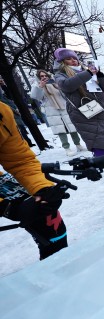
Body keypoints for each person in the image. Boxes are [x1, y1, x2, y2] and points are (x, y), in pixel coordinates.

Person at [0, 101, 69, 260]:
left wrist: (42, 188)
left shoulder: (2, 111)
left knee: (49, 221)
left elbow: (19, 160)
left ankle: (59, 275)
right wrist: (4, 207)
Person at [54, 48, 104, 177]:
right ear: (61, 61)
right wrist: (88, 73)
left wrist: (101, 76)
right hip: (84, 110)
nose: (73, 61)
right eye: (69, 59)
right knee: (96, 136)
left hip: (101, 108)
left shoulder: (85, 70)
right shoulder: (60, 74)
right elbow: (67, 86)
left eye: (74, 58)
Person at [31, 70, 85, 156]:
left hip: (64, 107)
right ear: (38, 77)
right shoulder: (37, 85)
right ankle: (67, 148)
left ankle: (78, 144)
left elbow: (65, 93)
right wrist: (40, 86)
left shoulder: (54, 82)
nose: (44, 77)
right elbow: (35, 96)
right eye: (41, 76)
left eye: (45, 75)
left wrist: (58, 86)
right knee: (60, 130)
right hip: (52, 110)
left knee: (72, 127)